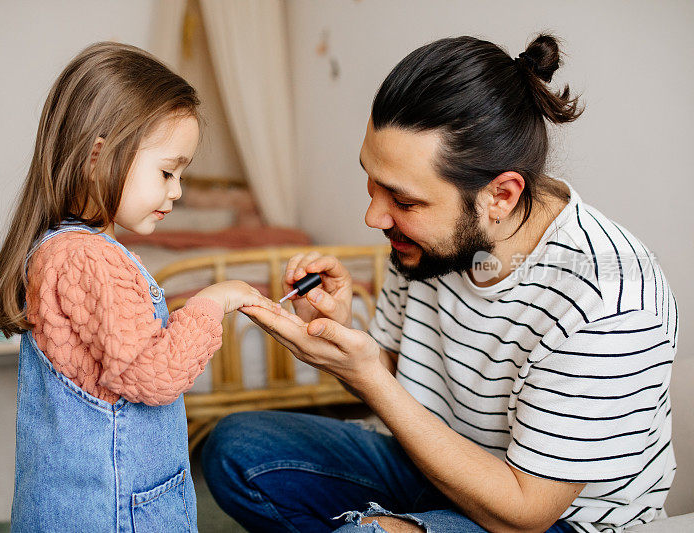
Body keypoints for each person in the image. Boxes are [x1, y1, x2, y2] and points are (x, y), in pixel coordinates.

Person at [203, 34, 678, 533]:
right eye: (371, 181)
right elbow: (390, 372)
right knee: (237, 449)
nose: (373, 216)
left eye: (403, 201)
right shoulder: (431, 244)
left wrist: (369, 379)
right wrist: (341, 336)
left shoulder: (610, 302)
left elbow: (526, 514)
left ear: (501, 196)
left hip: (550, 520)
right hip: (430, 459)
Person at [0, 42, 274, 531]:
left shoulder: (66, 249)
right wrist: (210, 301)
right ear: (99, 157)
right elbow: (153, 375)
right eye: (166, 171)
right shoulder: (87, 259)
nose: (177, 191)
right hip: (116, 510)